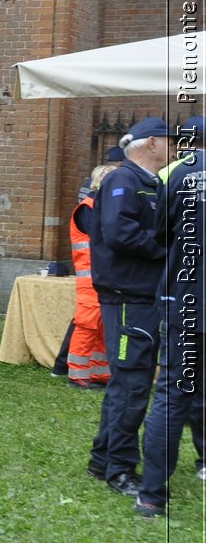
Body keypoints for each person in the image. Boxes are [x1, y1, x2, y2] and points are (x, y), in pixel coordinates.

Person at [86, 116, 174, 497]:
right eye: (169, 140)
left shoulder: (149, 183)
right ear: (150, 143)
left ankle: (103, 458)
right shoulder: (124, 180)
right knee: (133, 384)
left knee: (129, 382)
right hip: (128, 297)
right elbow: (120, 233)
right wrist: (166, 252)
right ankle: (120, 469)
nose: (175, 146)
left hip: (139, 295)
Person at [137, 116, 206, 516]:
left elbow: (161, 232)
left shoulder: (175, 175)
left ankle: (151, 496)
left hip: (187, 298)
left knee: (172, 395)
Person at [65, 162, 117, 388]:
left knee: (103, 327)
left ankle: (99, 374)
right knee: (87, 327)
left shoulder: (101, 207)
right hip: (90, 279)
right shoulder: (88, 208)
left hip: (103, 277)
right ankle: (77, 375)